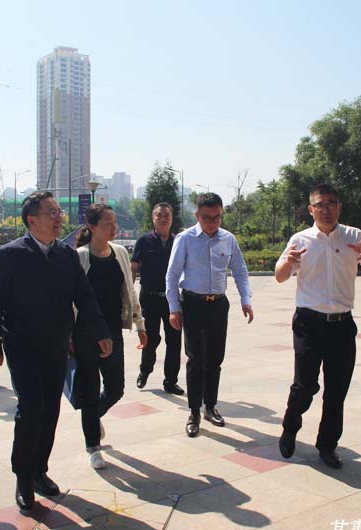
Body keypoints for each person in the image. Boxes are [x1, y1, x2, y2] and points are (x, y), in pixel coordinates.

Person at [0, 191, 112, 514]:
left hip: (56, 346)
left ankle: (39, 470)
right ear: (32, 220)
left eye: (58, 212)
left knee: (50, 410)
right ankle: (23, 477)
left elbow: (84, 297)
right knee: (31, 408)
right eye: (51, 213)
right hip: (21, 346)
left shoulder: (66, 256)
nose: (59, 218)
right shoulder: (10, 255)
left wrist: (101, 332)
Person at [275, 183, 361, 469]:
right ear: (311, 209)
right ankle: (290, 427)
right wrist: (288, 262)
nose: (326, 210)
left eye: (331, 203)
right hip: (308, 324)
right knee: (305, 386)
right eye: (320, 205)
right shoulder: (300, 239)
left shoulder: (354, 236)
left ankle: (327, 445)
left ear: (339, 207)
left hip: (342, 325)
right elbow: (280, 276)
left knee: (336, 391)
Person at [166, 192, 254, 438]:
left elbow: (240, 270)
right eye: (207, 218)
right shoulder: (185, 239)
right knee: (196, 359)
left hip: (218, 305)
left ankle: (210, 406)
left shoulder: (228, 239)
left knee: (215, 359)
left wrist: (246, 300)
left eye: (217, 217)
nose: (213, 222)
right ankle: (194, 411)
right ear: (197, 215)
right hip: (193, 304)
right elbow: (172, 274)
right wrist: (174, 308)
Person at [75, 203, 147, 470]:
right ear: (92, 227)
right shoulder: (80, 257)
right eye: (107, 223)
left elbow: (130, 290)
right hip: (84, 333)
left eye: (114, 222)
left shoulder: (120, 253)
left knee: (116, 388)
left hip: (113, 330)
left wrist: (140, 325)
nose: (113, 228)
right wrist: (68, 337)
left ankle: (93, 418)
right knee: (90, 390)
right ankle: (93, 446)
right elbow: (70, 299)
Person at [131, 202, 183, 395]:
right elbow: (134, 266)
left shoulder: (179, 241)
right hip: (149, 298)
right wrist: (128, 292)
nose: (163, 219)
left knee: (174, 341)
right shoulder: (144, 241)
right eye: (159, 215)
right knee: (151, 338)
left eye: (166, 215)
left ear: (171, 218)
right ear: (153, 218)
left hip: (172, 300)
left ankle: (170, 381)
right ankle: (145, 370)